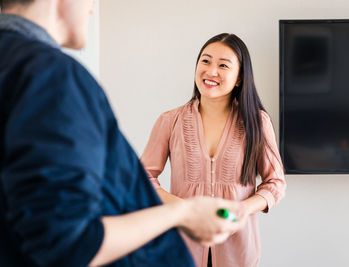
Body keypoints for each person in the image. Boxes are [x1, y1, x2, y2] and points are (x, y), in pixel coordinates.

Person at [0, 1, 245, 266]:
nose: (92, 9)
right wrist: (183, 213)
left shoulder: (22, 68)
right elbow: (69, 243)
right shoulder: (53, 78)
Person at [141, 33, 287, 267]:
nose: (211, 72)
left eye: (223, 65)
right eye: (205, 61)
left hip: (238, 250)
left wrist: (240, 210)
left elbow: (276, 182)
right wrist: (186, 210)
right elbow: (143, 178)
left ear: (239, 78)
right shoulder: (170, 121)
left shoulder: (257, 122)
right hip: (180, 247)